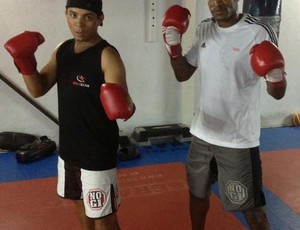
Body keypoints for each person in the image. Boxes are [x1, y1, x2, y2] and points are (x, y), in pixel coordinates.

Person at [4, 0, 135, 229]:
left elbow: (125, 104)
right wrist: (25, 63)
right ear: (65, 13)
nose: (79, 24)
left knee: (103, 216)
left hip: (97, 151)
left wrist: (124, 105)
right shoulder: (62, 49)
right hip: (69, 149)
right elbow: (38, 88)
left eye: (88, 17)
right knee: (79, 204)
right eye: (73, 15)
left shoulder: (106, 55)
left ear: (100, 19)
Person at [162, 1, 286, 230]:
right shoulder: (204, 28)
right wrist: (173, 47)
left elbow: (278, 93)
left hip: (237, 140)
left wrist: (275, 74)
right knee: (197, 193)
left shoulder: (258, 31)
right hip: (202, 133)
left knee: (250, 207)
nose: (217, 3)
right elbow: (182, 74)